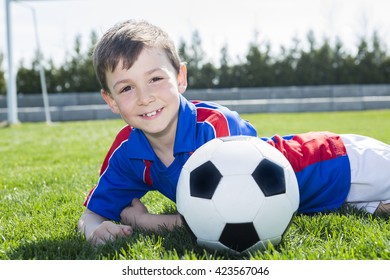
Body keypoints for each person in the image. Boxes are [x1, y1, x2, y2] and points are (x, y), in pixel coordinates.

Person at [78, 19, 390, 246]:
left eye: (155, 79)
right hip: (331, 200)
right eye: (127, 87)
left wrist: (145, 221)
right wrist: (95, 229)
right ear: (111, 101)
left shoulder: (215, 125)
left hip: (341, 163)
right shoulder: (127, 154)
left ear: (180, 77)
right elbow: (92, 214)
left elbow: (226, 218)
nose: (145, 97)